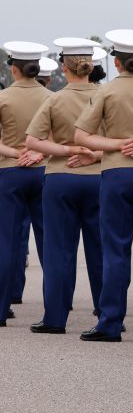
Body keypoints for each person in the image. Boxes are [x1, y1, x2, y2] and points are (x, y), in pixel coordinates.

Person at [75, 30, 133, 342]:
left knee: (115, 249)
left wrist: (117, 144)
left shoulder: (106, 91)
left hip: (117, 172)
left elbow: (82, 137)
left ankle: (111, 321)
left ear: (116, 62)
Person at [26, 38, 104, 334]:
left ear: (64, 66)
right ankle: (108, 314)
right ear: (91, 66)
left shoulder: (54, 99)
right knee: (101, 250)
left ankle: (55, 317)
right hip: (99, 176)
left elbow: (33, 141)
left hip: (61, 177)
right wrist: (93, 154)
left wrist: (69, 150)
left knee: (59, 250)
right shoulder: (105, 95)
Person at [0, 42, 52, 326]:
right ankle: (55, 308)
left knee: (6, 243)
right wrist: (39, 153)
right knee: (50, 244)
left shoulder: (3, 97)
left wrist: (17, 153)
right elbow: (60, 139)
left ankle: (2, 307)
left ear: (13, 67)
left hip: (10, 171)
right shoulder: (51, 97)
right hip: (45, 171)